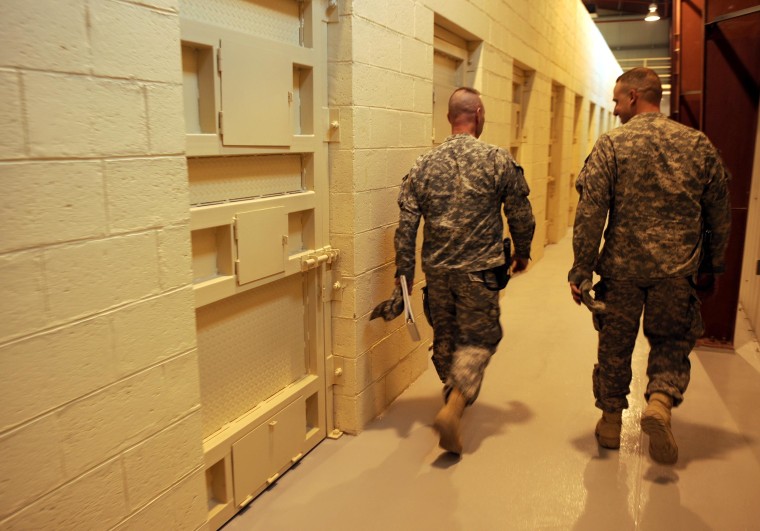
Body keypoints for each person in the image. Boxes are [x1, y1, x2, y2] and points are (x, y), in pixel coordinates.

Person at [568, 67, 731, 464]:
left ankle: (610, 424)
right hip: (676, 271)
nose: (614, 104)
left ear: (636, 97)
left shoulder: (611, 144)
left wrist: (581, 270)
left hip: (621, 271)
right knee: (671, 342)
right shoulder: (697, 144)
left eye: (618, 97)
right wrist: (714, 264)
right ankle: (659, 402)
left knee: (614, 346)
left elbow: (591, 211)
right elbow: (719, 211)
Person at [394, 87, 535, 455]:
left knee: (445, 337)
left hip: (437, 273)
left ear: (450, 118)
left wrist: (404, 278)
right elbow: (520, 213)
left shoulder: (422, 166)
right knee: (479, 339)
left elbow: (406, 228)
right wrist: (522, 251)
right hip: (480, 273)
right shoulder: (496, 160)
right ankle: (456, 402)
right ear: (479, 113)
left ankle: (451, 388)